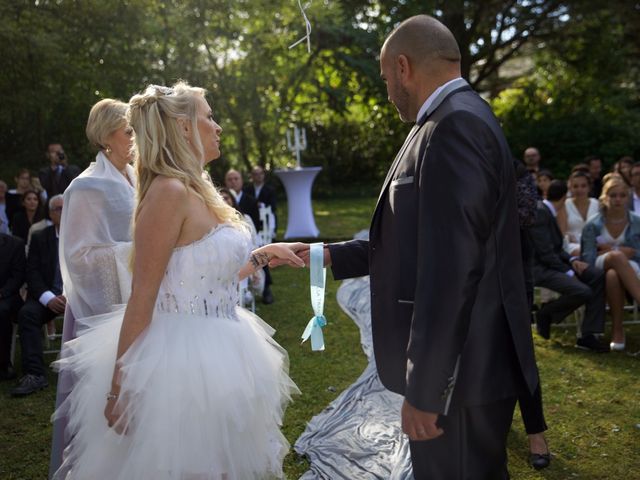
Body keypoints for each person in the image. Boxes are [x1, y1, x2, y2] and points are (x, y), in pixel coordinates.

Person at [300, 15, 538, 478]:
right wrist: (325, 254)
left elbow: (453, 269)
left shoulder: (455, 127)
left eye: (387, 78)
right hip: (464, 370)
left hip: (462, 375)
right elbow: (416, 240)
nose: (388, 91)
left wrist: (427, 389)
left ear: (403, 67)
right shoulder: (449, 118)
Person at [51, 82, 302, 479]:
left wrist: (262, 257)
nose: (217, 126)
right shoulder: (167, 192)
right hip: (178, 365)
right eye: (209, 116)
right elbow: (144, 295)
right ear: (184, 128)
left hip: (226, 349)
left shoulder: (196, 188)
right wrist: (119, 389)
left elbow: (203, 277)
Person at [49, 98, 137, 477]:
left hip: (141, 300)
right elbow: (79, 256)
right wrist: (137, 253)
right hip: (100, 309)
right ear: (106, 138)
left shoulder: (140, 176)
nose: (136, 138)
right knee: (105, 397)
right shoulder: (85, 187)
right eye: (129, 131)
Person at [529, 180, 609, 351]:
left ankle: (588, 334)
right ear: (566, 197)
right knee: (583, 291)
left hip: (552, 264)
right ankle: (546, 313)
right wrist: (568, 272)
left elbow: (555, 248)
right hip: (540, 269)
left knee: (595, 275)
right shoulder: (540, 212)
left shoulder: (546, 211)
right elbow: (545, 253)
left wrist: (573, 261)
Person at [10, 195, 65, 396]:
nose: (64, 212)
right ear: (51, 213)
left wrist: (70, 296)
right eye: (59, 209)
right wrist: (48, 298)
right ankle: (35, 374)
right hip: (48, 295)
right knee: (27, 314)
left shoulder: (83, 236)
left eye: (67, 208)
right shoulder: (41, 237)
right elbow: (31, 272)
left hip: (77, 297)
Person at [582, 174, 640, 351]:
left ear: (627, 197)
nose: (618, 200)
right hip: (600, 263)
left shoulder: (636, 222)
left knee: (614, 275)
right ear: (605, 197)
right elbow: (588, 258)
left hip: (631, 266)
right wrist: (615, 252)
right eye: (613, 195)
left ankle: (617, 330)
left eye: (622, 195)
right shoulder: (593, 224)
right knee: (616, 258)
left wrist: (630, 251)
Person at [226, 168, 274, 304]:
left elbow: (256, 224)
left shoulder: (251, 200)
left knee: (258, 251)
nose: (233, 182)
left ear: (241, 181)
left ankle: (266, 288)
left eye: (236, 179)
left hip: (248, 234)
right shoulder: (220, 200)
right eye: (229, 180)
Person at [0, 233, 26, 381]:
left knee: (2, 311)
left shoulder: (15, 244)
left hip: (7, 294)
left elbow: (18, 275)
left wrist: (2, 293)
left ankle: (3, 364)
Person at [561, 171, 599, 256]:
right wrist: (568, 236)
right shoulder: (564, 205)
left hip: (595, 244)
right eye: (575, 186)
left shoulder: (597, 204)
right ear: (570, 188)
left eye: (583, 186)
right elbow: (562, 232)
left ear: (589, 187)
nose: (579, 189)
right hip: (572, 246)